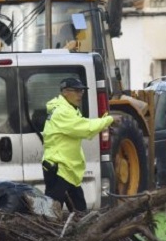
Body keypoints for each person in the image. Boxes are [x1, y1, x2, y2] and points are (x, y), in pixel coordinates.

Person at [42, 77, 113, 212]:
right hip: (59, 169)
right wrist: (109, 120)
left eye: (82, 91)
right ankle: (45, 233)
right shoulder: (62, 112)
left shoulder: (70, 109)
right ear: (65, 92)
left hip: (68, 170)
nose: (80, 94)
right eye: (77, 91)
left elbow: (84, 126)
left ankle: (83, 232)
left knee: (79, 211)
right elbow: (86, 129)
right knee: (50, 214)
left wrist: (102, 122)